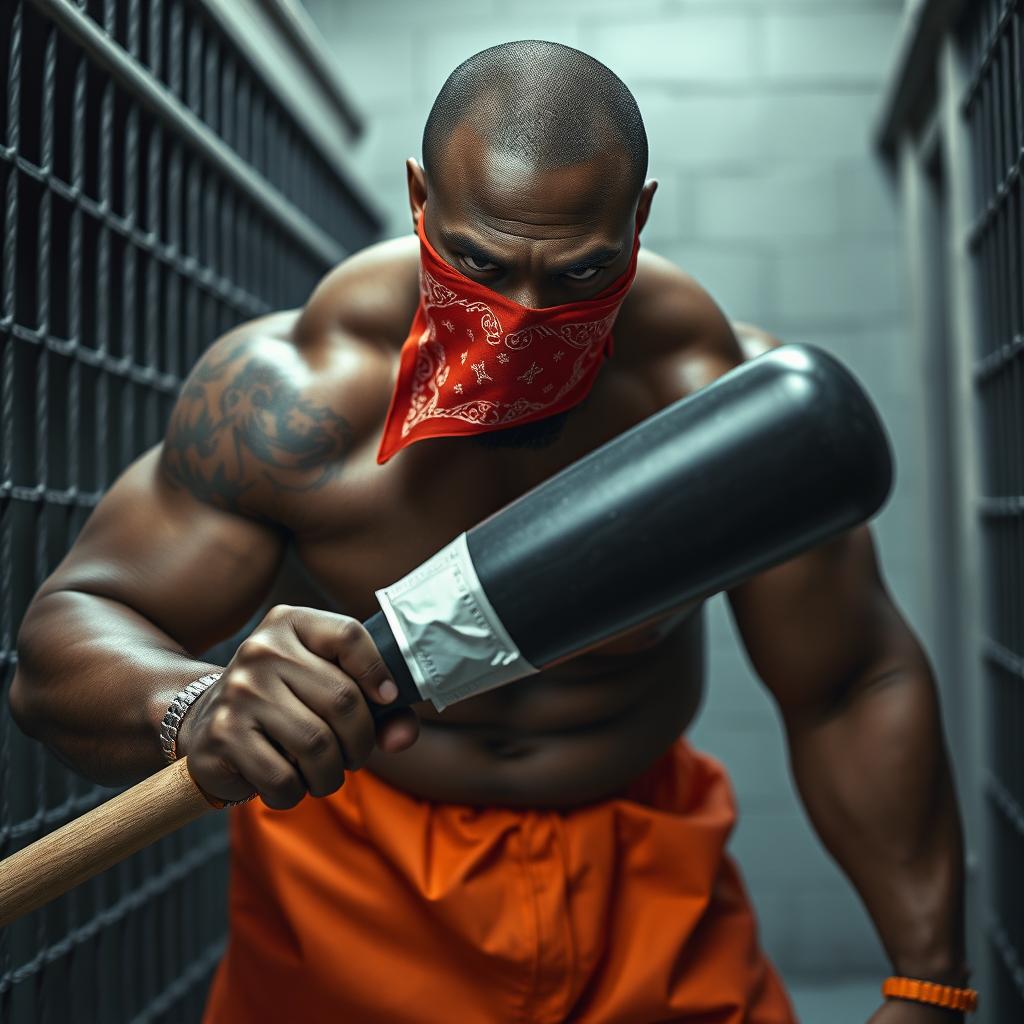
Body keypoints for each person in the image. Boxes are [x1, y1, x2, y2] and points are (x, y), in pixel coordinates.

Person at [10, 40, 971, 1023]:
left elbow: (849, 681)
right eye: (478, 263)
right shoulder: (289, 399)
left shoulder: (717, 401)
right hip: (353, 879)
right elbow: (66, 642)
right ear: (421, 201)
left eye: (579, 273)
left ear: (636, 217)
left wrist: (928, 979)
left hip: (639, 875)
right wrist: (194, 702)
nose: (518, 326)